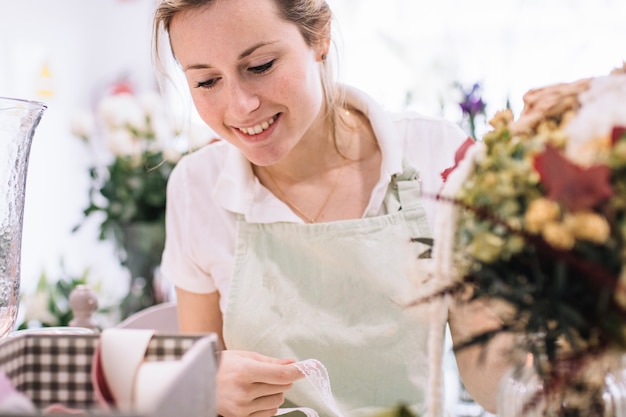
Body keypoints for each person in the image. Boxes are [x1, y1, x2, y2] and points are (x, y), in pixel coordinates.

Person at [153, 1, 511, 416]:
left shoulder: (437, 156)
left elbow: (493, 369)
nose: (239, 106)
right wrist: (205, 386)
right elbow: (201, 379)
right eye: (207, 81)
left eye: (261, 66)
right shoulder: (196, 187)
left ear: (319, 35)